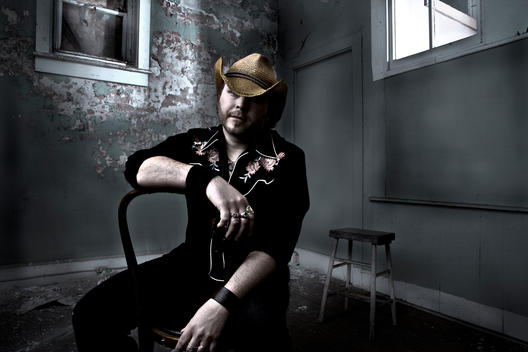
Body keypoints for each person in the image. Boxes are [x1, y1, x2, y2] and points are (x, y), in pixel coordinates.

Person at [72, 53, 310, 352]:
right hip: (190, 266)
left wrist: (219, 304)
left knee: (256, 340)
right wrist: (206, 181)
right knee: (91, 314)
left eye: (254, 98)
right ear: (220, 94)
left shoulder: (289, 159)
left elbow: (276, 247)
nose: (240, 104)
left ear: (268, 108)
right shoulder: (196, 143)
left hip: (254, 282)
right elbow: (137, 167)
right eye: (232, 92)